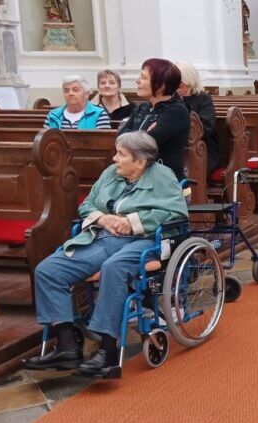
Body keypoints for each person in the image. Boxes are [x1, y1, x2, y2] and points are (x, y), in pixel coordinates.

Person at [22, 131, 188, 376]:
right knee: (48, 270)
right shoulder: (111, 174)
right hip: (104, 237)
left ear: (140, 161)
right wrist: (102, 218)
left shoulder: (163, 176)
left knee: (114, 267)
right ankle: (67, 347)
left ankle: (108, 349)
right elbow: (86, 205)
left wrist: (133, 222)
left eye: (121, 154)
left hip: (144, 240)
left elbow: (177, 213)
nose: (114, 159)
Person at [119, 58, 190, 181]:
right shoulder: (142, 108)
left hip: (166, 181)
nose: (137, 81)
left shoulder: (176, 111)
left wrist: (141, 136)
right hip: (139, 177)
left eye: (143, 77)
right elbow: (121, 138)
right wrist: (144, 134)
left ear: (161, 85)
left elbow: (146, 144)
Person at [174, 61, 221, 176]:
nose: (177, 83)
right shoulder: (171, 99)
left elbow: (206, 127)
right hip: (177, 148)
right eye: (174, 79)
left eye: (181, 79)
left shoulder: (203, 98)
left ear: (189, 78)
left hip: (201, 149)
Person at [44, 76, 111, 130]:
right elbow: (46, 140)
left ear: (86, 94)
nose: (70, 93)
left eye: (75, 90)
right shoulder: (53, 115)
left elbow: (103, 141)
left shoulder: (99, 114)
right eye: (66, 91)